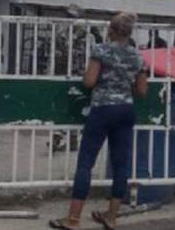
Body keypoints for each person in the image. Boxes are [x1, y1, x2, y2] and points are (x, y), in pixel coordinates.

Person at [50, 12, 148, 230]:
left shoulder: (101, 50)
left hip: (103, 110)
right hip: (126, 110)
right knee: (121, 165)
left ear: (111, 30)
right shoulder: (138, 56)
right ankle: (111, 217)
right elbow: (141, 91)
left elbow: (89, 81)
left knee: (86, 163)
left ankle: (73, 219)